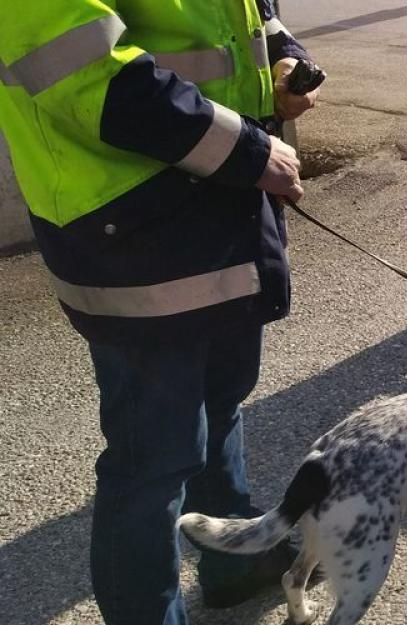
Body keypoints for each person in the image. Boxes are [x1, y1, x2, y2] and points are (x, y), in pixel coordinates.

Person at [0, 1, 318, 622]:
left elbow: (250, 16)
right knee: (154, 457)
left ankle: (235, 560)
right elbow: (84, 74)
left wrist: (287, 60)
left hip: (217, 207)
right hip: (132, 227)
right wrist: (250, 152)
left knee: (221, 400)